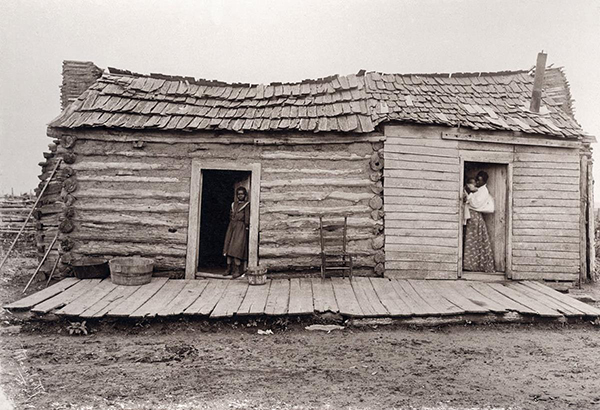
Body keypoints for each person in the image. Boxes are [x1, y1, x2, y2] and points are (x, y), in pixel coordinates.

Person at [463, 171, 495, 273]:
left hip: (475, 216)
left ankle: (475, 265)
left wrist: (469, 195)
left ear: (484, 181)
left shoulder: (483, 191)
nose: (477, 181)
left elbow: (476, 204)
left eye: (479, 180)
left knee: (474, 240)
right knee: (471, 239)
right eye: (477, 179)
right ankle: (470, 264)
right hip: (471, 215)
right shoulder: (477, 189)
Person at [223, 186, 250, 278]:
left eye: (242, 194)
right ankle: (228, 268)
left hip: (240, 227)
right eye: (239, 194)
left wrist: (246, 228)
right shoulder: (233, 205)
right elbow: (230, 215)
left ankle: (237, 270)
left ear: (245, 195)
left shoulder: (246, 205)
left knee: (236, 247)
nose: (240, 196)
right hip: (232, 226)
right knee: (228, 246)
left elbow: (247, 218)